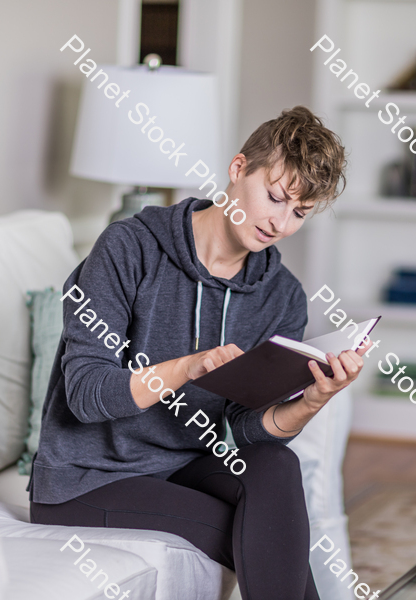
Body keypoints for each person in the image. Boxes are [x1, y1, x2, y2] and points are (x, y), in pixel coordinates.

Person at [30, 106, 365, 600]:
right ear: (237, 170)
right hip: (87, 479)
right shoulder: (130, 248)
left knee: (275, 466)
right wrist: (187, 366)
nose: (279, 223)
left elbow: (249, 429)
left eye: (299, 213)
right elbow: (85, 395)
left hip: (185, 466)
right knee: (249, 530)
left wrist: (314, 399)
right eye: (274, 197)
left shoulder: (281, 295)